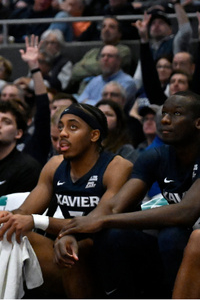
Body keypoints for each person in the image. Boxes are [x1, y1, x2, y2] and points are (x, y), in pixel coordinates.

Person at [0, 103, 133, 297]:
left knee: (70, 245)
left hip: (106, 256)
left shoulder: (117, 167)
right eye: (61, 127)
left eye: (73, 127)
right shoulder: (54, 165)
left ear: (94, 135)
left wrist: (37, 221)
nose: (63, 133)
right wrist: (9, 216)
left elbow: (96, 223)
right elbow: (25, 211)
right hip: (66, 249)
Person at [56, 92, 200, 297]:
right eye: (164, 113)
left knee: (171, 235)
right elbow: (115, 206)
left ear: (198, 123)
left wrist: (104, 221)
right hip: (180, 242)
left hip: (192, 240)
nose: (165, 119)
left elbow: (187, 211)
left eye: (176, 114)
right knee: (114, 236)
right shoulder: (154, 157)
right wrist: (71, 233)